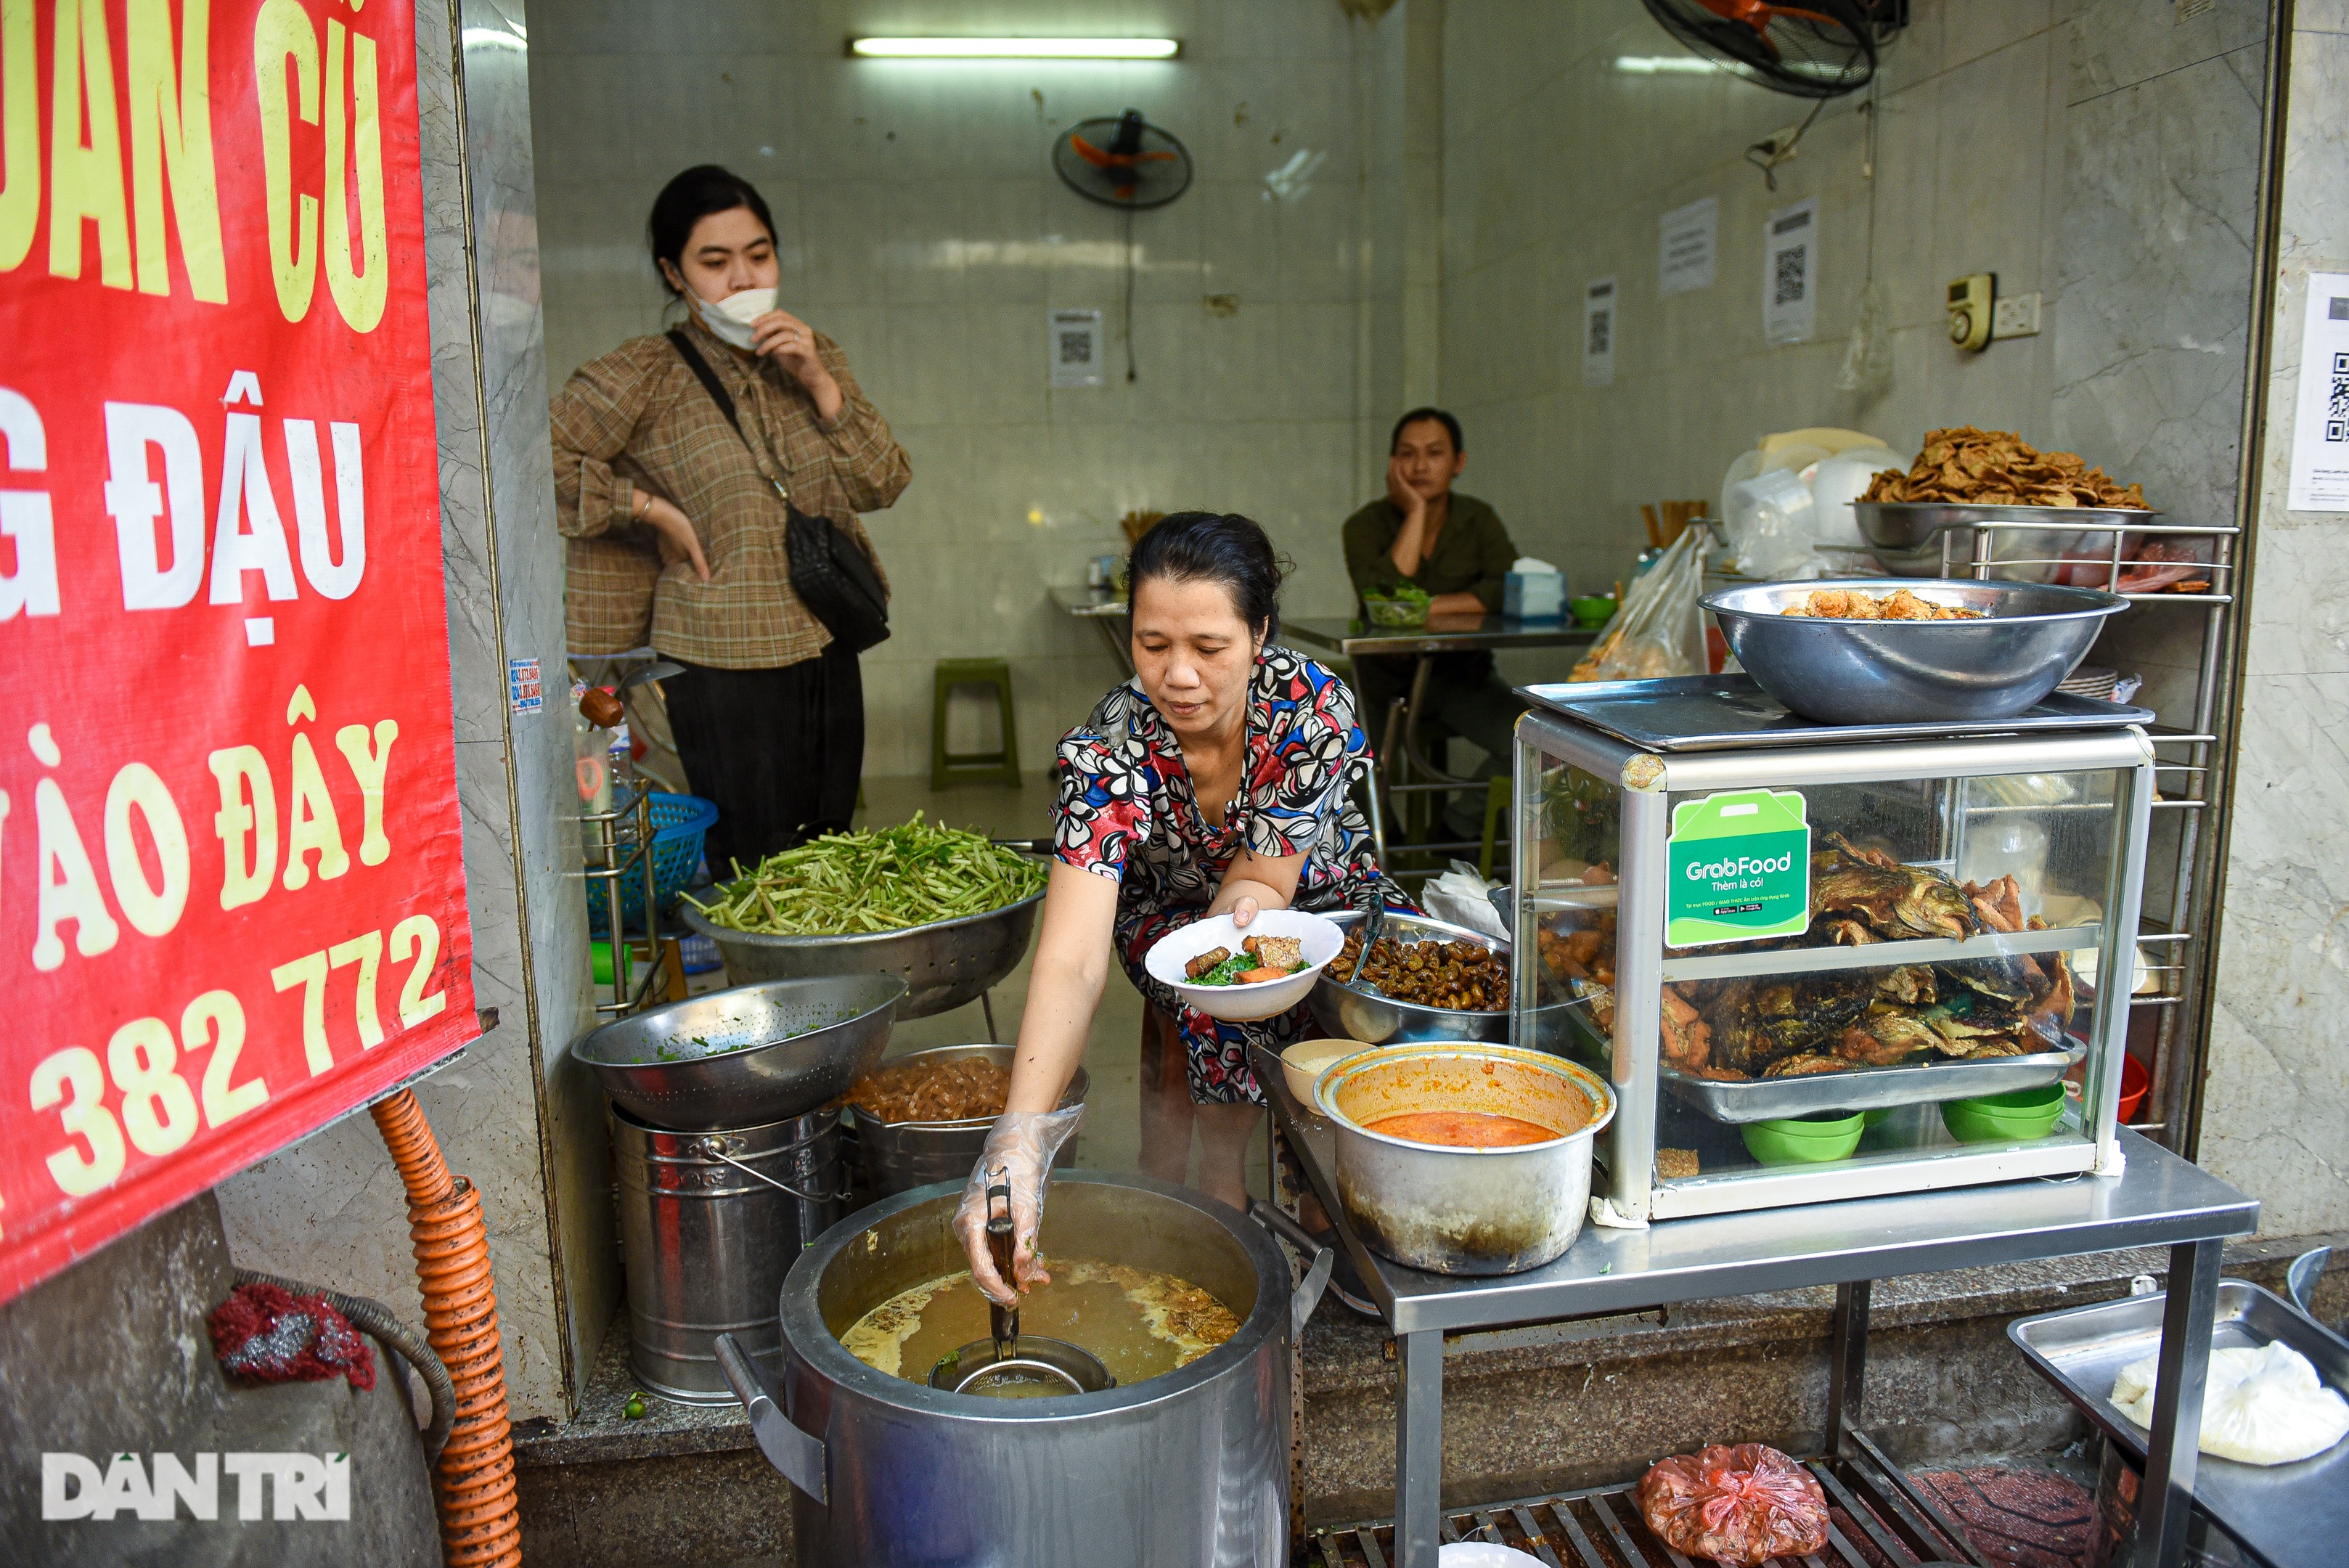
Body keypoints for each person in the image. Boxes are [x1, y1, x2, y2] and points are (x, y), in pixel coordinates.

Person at [954, 513, 1407, 1305]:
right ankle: (1217, 1202)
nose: (1178, 676)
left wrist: (1240, 917)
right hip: (1163, 910)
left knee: (1391, 984)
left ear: (1259, 633)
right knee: (1209, 988)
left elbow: (1265, 882)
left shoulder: (1310, 708)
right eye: (1152, 645)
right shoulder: (1106, 752)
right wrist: (1016, 1139)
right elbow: (1071, 956)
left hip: (1316, 890)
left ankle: (1338, 1196)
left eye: (1208, 648)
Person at [550, 165, 910, 873]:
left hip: (826, 641)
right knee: (750, 861)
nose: (743, 278)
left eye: (758, 254)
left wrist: (818, 383)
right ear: (674, 274)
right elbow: (537, 457)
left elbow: (884, 481)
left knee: (827, 851)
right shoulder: (646, 373)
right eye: (714, 262)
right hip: (719, 659)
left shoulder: (815, 353)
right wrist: (647, 510)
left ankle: (821, 985)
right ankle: (758, 986)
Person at [1341, 408, 1528, 838]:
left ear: (1458, 462)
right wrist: (1416, 512)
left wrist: (1424, 608)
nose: (1420, 466)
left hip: (1461, 677)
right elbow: (1382, 601)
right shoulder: (1363, 526)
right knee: (1340, 761)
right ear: (1392, 463)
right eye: (1407, 454)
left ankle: (1454, 832)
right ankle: (1384, 855)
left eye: (1434, 453)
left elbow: (1509, 587)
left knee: (1529, 740)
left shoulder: (1478, 519)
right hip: (1381, 682)